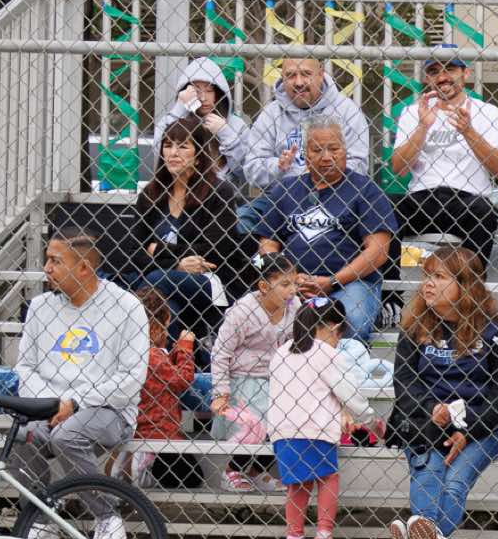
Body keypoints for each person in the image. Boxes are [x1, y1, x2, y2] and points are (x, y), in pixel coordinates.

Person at [383, 245, 498, 539]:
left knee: (455, 480)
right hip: (425, 421)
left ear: (465, 284)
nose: (428, 284)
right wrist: (432, 408)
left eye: (439, 277)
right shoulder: (414, 328)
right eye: (427, 276)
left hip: (484, 424)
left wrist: (468, 429)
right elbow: (404, 383)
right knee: (429, 470)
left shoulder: (496, 333)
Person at [10, 233, 150, 539]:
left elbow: (131, 378)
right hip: (50, 406)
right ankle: (41, 519)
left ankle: (107, 517)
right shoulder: (40, 307)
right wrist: (52, 403)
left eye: (55, 261)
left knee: (67, 435)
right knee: (22, 434)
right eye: (47, 259)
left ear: (84, 268)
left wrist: (75, 402)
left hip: (108, 410)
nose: (47, 268)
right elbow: (25, 367)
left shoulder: (126, 307)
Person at [254, 123, 397, 342]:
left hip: (350, 283)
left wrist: (332, 281)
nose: (326, 157)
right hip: (293, 281)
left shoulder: (366, 190)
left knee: (351, 321)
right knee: (254, 317)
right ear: (306, 155)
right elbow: (267, 244)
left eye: (334, 148)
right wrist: (287, 278)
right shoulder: (285, 189)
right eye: (317, 150)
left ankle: (340, 365)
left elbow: (378, 251)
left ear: (345, 151)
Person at [267, 298, 376, 539]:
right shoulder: (328, 354)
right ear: (332, 327)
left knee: (297, 484)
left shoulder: (281, 353)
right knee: (328, 476)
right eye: (340, 334)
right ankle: (324, 535)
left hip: (284, 430)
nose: (338, 341)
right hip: (316, 428)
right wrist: (370, 418)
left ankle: (294, 538)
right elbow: (349, 393)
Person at [133, 118, 252, 344]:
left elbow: (215, 250)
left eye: (183, 146)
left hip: (211, 281)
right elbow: (132, 251)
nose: (173, 153)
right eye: (168, 145)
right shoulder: (150, 195)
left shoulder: (219, 192)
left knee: (156, 280)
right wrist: (177, 264)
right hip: (165, 281)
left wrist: (158, 250)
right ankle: (164, 359)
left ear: (198, 156)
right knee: (168, 308)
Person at [389, 48, 498, 265]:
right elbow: (399, 169)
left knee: (484, 212)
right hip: (422, 198)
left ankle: (470, 283)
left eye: (450, 69)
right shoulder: (413, 112)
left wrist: (468, 131)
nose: (442, 77)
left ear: (466, 73)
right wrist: (422, 127)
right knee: (383, 206)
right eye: (434, 71)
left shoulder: (487, 112)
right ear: (427, 79)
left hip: (468, 199)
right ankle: (389, 285)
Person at [209, 253, 300, 491]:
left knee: (288, 420)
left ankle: (257, 470)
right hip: (245, 379)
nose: (292, 290)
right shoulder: (242, 312)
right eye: (285, 284)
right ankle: (232, 469)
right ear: (263, 286)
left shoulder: (294, 307)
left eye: (295, 283)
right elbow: (221, 353)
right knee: (256, 422)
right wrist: (221, 392)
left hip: (280, 378)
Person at [237, 57, 371, 193]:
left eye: (306, 74)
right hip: (280, 197)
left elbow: (358, 167)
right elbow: (252, 170)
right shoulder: (271, 113)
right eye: (291, 75)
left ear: (320, 75)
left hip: (335, 195)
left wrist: (314, 173)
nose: (299, 82)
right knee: (247, 209)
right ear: (282, 78)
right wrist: (278, 166)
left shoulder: (347, 110)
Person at [121, 288, 198, 489]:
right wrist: (185, 347)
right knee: (193, 476)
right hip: (157, 437)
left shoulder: (134, 351)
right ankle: (141, 470)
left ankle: (132, 469)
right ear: (164, 321)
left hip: (142, 431)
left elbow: (164, 374)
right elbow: (182, 379)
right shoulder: (151, 355)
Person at [155, 55, 246, 169]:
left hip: (223, 181)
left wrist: (225, 132)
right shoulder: (179, 118)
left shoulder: (236, 125)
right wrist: (180, 107)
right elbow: (158, 152)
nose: (203, 98)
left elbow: (244, 168)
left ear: (218, 92)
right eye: (196, 90)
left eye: (209, 90)